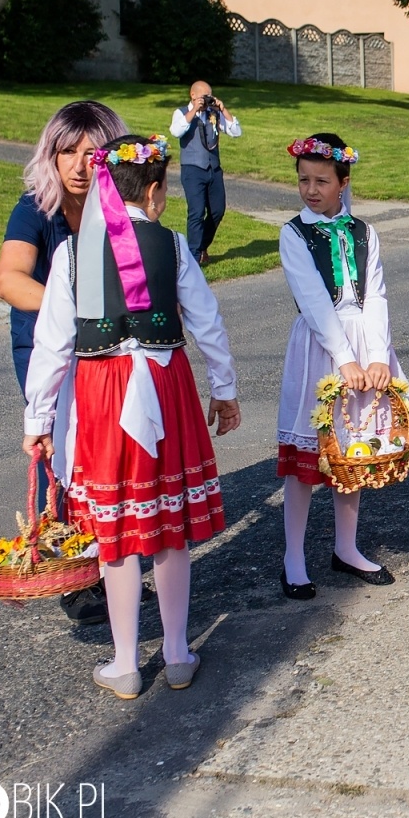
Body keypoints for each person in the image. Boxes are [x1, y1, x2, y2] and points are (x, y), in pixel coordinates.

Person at [22, 134, 242, 698]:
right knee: (168, 526)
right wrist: (225, 389)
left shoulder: (72, 253)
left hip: (102, 391)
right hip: (165, 385)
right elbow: (208, 322)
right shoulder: (171, 245)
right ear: (157, 190)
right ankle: (175, 653)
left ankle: (125, 662)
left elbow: (51, 346)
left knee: (117, 527)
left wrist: (39, 421)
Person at [276, 133, 409, 600]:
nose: (310, 189)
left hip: (365, 346)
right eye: (304, 180)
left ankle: (346, 547)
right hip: (321, 350)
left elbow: (376, 294)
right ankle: (293, 557)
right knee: (308, 456)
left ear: (344, 181)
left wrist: (378, 356)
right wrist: (344, 361)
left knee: (352, 450)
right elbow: (315, 302)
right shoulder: (294, 233)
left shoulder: (365, 232)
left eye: (322, 180)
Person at [0, 100, 127, 626]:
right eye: (65, 151)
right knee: (61, 457)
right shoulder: (35, 206)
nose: (76, 164)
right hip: (45, 347)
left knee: (107, 454)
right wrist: (69, 310)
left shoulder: (123, 209)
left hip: (107, 350)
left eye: (90, 153)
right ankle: (77, 574)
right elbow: (10, 278)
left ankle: (115, 556)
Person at [170, 81, 242, 266]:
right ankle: (193, 257)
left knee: (218, 210)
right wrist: (194, 111)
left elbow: (236, 132)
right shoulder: (181, 113)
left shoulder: (214, 114)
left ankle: (202, 245)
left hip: (214, 169)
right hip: (193, 169)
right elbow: (176, 131)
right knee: (196, 212)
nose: (207, 100)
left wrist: (223, 109)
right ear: (192, 95)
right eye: (204, 96)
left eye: (209, 96)